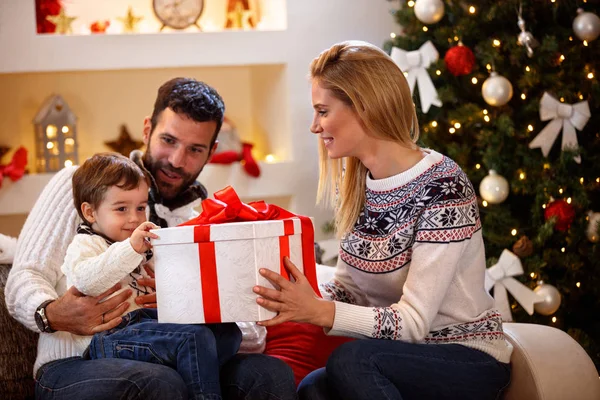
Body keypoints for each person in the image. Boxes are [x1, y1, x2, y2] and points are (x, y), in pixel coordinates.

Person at [6, 77, 297, 400]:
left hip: (180, 354)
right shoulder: (82, 184)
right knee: (158, 382)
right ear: (147, 130)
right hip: (75, 360)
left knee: (270, 375)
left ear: (212, 151)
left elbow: (253, 336)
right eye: (168, 140)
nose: (176, 160)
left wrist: (190, 302)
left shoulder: (210, 220)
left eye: (194, 149)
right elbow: (24, 276)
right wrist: (52, 314)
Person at [252, 41, 513, 400]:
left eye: (323, 111)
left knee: (350, 360)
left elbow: (413, 323)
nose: (315, 126)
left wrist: (320, 311)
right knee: (313, 388)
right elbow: (350, 291)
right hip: (404, 358)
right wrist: (291, 296)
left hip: (467, 358)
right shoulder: (361, 183)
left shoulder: (442, 185)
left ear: (364, 106)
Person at [62, 152, 242, 399]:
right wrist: (131, 249)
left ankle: (189, 369)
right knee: (195, 338)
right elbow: (87, 281)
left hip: (150, 327)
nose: (134, 218)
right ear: (90, 212)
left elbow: (171, 283)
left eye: (140, 207)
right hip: (110, 338)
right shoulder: (85, 245)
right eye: (121, 209)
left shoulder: (141, 246)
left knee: (227, 332)